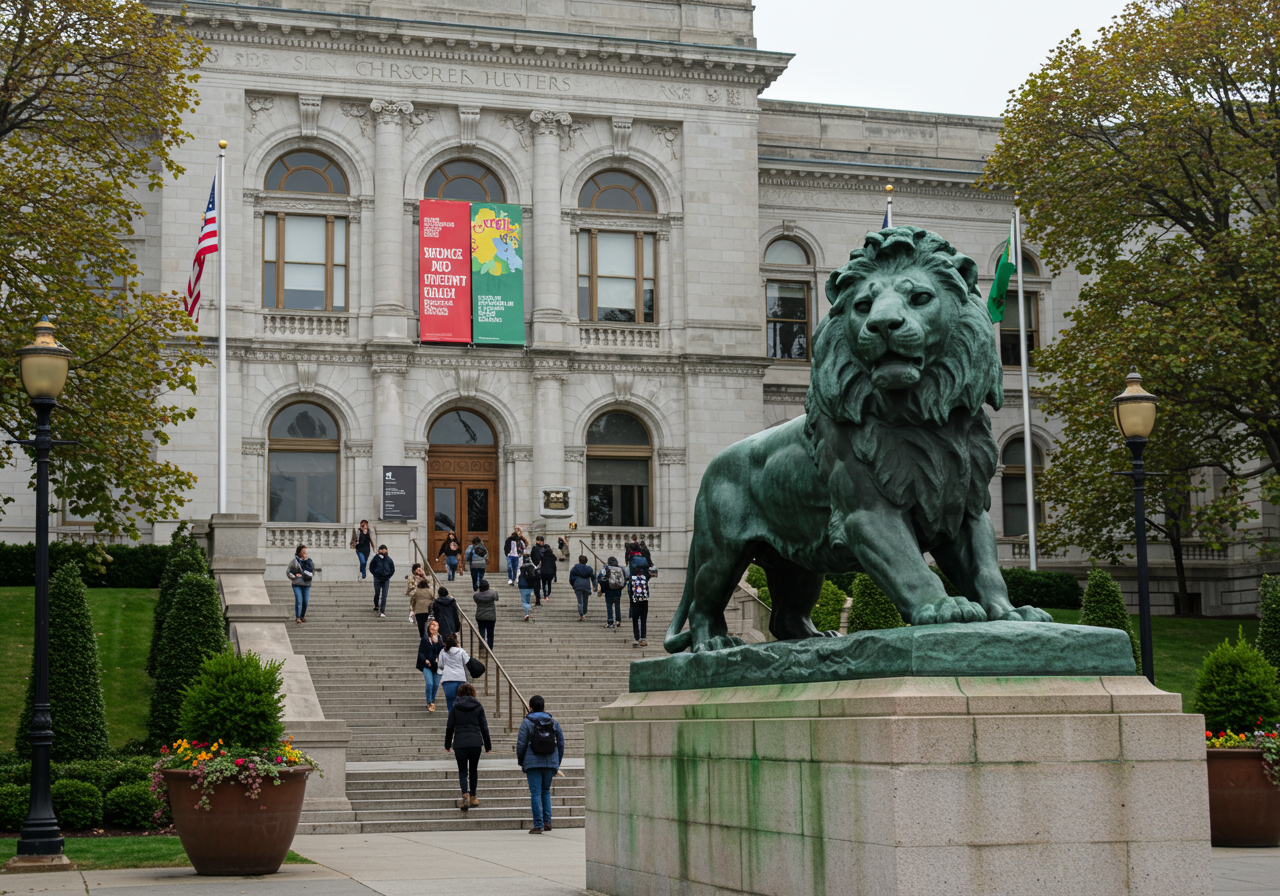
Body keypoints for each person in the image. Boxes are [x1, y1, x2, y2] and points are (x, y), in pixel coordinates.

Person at [516, 695, 565, 834]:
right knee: (546, 791)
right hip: (550, 761)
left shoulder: (527, 722)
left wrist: (522, 761)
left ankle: (538, 825)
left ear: (530, 707)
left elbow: (521, 744)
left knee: (536, 793)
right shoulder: (553, 722)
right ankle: (547, 822)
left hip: (533, 762)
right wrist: (557, 761)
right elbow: (561, 743)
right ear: (543, 707)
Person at [445, 682, 491, 810]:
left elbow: (450, 727)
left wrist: (447, 744)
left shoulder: (455, 707)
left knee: (463, 771)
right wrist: (488, 746)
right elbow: (484, 727)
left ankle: (465, 796)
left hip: (460, 743)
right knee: (473, 770)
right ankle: (473, 797)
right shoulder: (478, 707)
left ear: (459, 693)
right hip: (475, 742)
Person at [438, 632, 471, 716]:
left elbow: (440, 665)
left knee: (451, 704)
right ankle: (462, 720)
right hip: (461, 678)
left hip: (448, 679)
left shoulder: (443, 652)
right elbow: (467, 662)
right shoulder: (461, 651)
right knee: (462, 703)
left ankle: (452, 721)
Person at [416, 618, 445, 711]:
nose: (433, 628)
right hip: (427, 665)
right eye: (432, 626)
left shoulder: (440, 639)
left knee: (436, 684)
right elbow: (421, 652)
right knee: (429, 683)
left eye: (435, 626)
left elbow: (442, 651)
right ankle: (429, 701)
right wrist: (425, 660)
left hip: (437, 665)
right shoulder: (425, 639)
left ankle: (432, 699)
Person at [286, 544, 314, 625]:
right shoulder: (294, 562)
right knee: (299, 600)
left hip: (306, 584)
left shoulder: (309, 561)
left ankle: (302, 616)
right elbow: (288, 572)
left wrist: (306, 563)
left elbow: (312, 571)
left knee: (305, 601)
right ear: (299, 552)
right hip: (297, 583)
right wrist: (294, 576)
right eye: (303, 551)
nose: (304, 552)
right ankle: (298, 617)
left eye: (305, 551)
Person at [598, 556, 625, 629]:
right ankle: (618, 620)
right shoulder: (621, 569)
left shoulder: (606, 569)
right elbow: (625, 579)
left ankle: (610, 621)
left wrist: (602, 587)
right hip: (618, 590)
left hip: (609, 590)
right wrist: (620, 587)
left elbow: (600, 577)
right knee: (617, 605)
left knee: (609, 605)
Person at [407, 564, 433, 639]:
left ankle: (426, 636)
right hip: (417, 599)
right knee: (421, 623)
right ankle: (424, 636)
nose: (420, 571)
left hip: (426, 605)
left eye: (421, 569)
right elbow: (410, 590)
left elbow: (431, 585)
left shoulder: (426, 578)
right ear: (414, 570)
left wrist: (424, 577)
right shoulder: (411, 578)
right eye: (418, 570)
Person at [369, 544, 394, 617]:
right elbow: (371, 567)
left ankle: (382, 610)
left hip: (386, 579)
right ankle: (376, 605)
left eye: (384, 551)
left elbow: (392, 569)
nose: (383, 553)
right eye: (382, 551)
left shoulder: (389, 560)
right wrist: (375, 574)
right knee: (377, 593)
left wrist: (388, 576)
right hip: (377, 578)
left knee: (384, 595)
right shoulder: (376, 558)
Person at [472, 578, 498, 649]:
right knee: (490, 633)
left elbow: (476, 600)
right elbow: (497, 598)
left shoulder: (476, 596)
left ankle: (482, 647)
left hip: (480, 616)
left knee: (481, 633)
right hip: (491, 616)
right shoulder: (493, 593)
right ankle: (490, 648)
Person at [569, 555, 596, 622]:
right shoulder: (589, 569)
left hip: (578, 585)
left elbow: (571, 578)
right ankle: (584, 611)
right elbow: (593, 578)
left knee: (580, 601)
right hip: (586, 585)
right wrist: (594, 586)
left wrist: (573, 585)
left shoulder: (575, 568)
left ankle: (581, 615)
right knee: (585, 601)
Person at [629, 567, 650, 647]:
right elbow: (647, 591)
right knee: (643, 619)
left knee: (635, 620)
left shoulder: (631, 580)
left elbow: (630, 592)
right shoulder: (644, 579)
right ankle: (643, 637)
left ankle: (637, 636)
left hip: (635, 601)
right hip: (644, 601)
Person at [531, 535, 556, 602]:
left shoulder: (542, 553)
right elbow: (554, 565)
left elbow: (534, 557)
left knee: (543, 583)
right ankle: (547, 595)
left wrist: (537, 565)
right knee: (548, 583)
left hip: (543, 570)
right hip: (549, 571)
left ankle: (544, 595)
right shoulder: (551, 556)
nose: (540, 542)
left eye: (541, 541)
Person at [517, 553, 537, 621]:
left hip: (523, 586)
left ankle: (527, 611)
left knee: (524, 600)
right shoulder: (532, 567)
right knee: (528, 599)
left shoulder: (522, 568)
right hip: (530, 586)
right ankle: (527, 611)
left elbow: (518, 576)